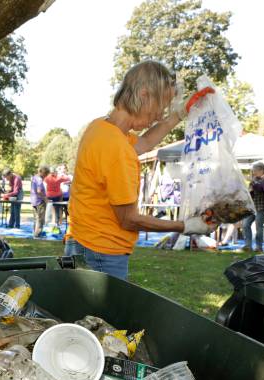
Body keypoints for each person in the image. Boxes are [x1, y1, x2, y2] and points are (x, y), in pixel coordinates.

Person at [64, 60, 216, 280]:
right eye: (160, 108)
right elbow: (128, 219)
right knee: (103, 316)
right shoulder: (116, 148)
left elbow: (144, 143)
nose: (159, 116)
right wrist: (186, 225)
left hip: (83, 243)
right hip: (102, 253)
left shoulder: (100, 127)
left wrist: (180, 114)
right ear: (144, 95)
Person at [242, 162, 264, 252]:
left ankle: (259, 247)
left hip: (263, 206)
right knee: (245, 224)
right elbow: (250, 192)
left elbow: (263, 189)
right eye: (253, 171)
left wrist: (256, 186)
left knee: (258, 225)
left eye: (255, 171)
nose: (253, 172)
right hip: (253, 207)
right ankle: (248, 246)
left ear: (261, 170)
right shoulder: (254, 179)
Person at [44, 166, 71, 233]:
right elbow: (68, 179)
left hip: (49, 196)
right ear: (55, 172)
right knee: (57, 212)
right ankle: (56, 226)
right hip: (57, 196)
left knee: (49, 211)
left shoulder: (47, 178)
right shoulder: (59, 178)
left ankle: (48, 226)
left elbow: (44, 182)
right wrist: (61, 174)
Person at [30, 166, 50, 237]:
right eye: (46, 174)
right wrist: (45, 199)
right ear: (43, 172)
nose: (46, 176)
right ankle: (38, 234)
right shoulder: (39, 180)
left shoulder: (34, 177)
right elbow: (39, 191)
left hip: (33, 200)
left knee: (36, 218)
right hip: (39, 201)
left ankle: (34, 233)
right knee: (40, 218)